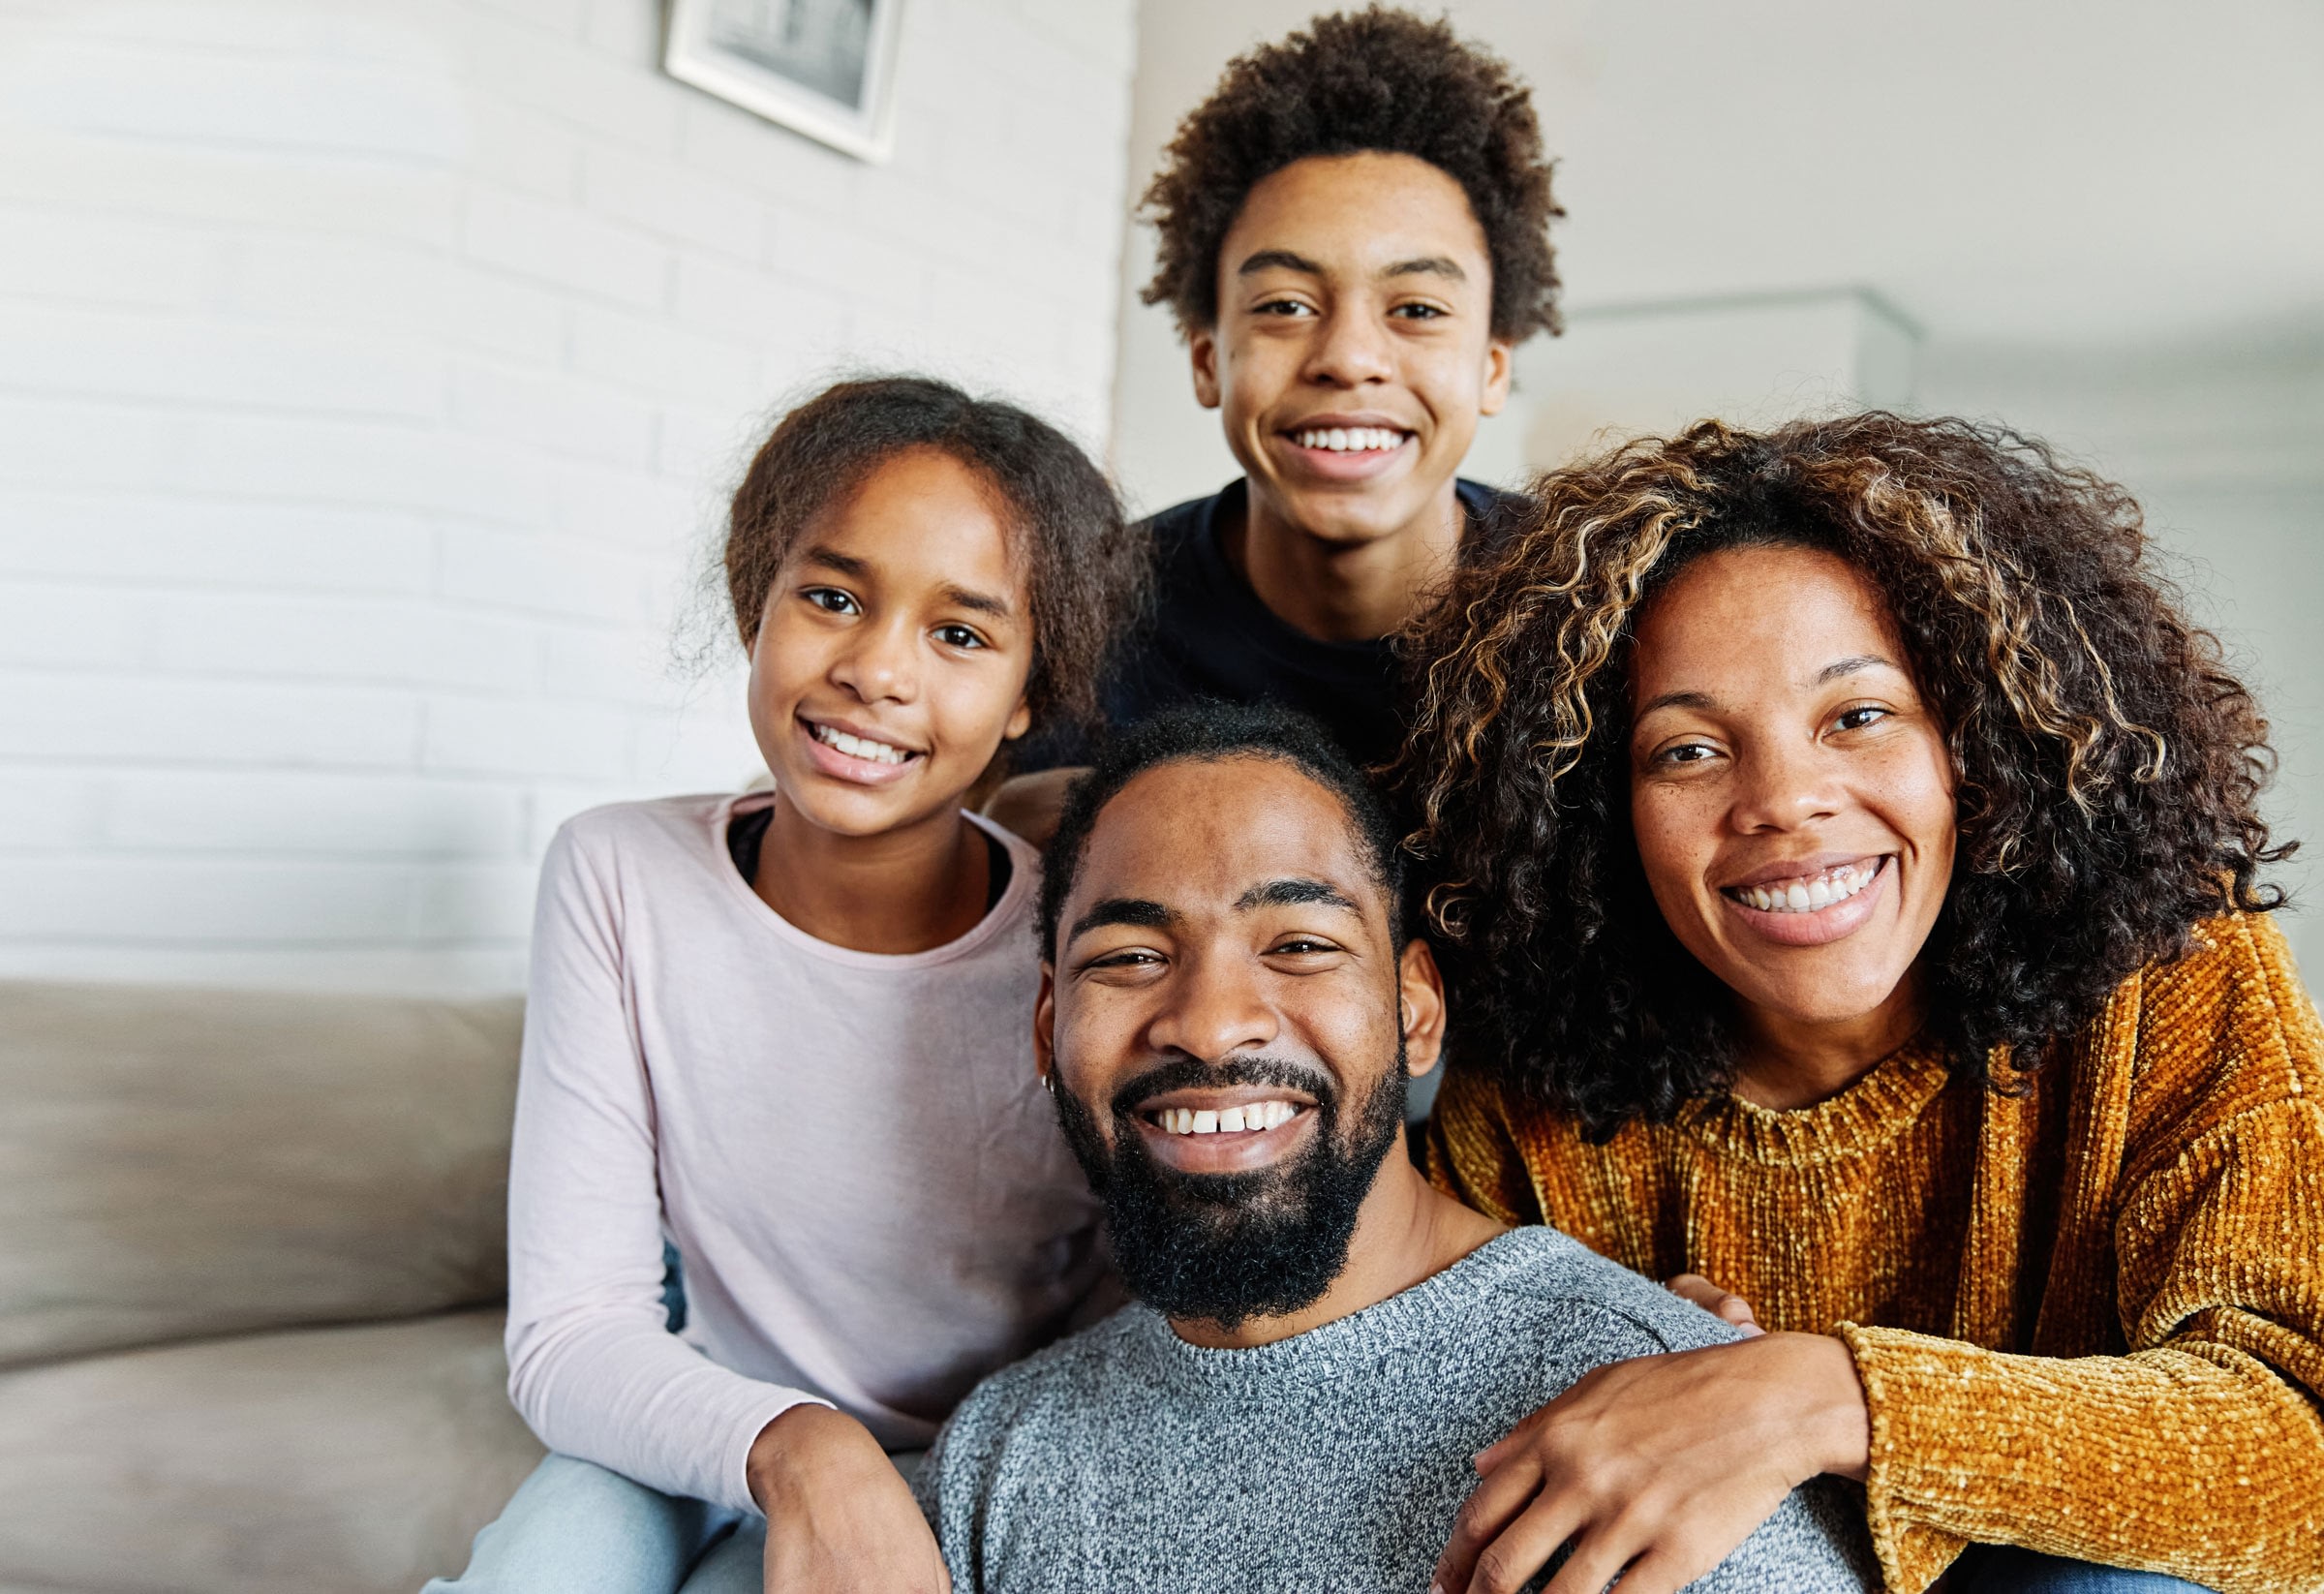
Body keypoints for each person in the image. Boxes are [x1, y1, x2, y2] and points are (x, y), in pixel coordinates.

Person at [1398, 414, 2324, 1594]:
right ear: (1595, 813)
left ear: (1976, 745)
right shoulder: (1522, 1073)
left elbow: (2303, 1443)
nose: (1783, 801)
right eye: (1686, 751)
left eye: (1858, 715)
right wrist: (1619, 1344)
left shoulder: (2170, 967)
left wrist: (1816, 1395)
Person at [425, 377, 1144, 1594]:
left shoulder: (1080, 942)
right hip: (686, 1433)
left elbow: (1135, 1309)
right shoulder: (617, 874)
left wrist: (900, 1482)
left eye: (959, 633)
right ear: (756, 603)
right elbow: (568, 1336)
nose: (874, 669)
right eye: (831, 597)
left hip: (973, 1464)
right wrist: (800, 1447)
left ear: (1030, 693)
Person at [917, 702, 1877, 1593]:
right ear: (1049, 1028)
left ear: (1415, 1011)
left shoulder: (1669, 1436)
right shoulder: (1000, 1457)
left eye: (1297, 943)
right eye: (1130, 957)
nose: (1211, 1025)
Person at [987, 7, 1562, 838]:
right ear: (1208, 358)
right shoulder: (1084, 621)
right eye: (1286, 305)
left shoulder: (1594, 614)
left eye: (1416, 308)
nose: (1349, 357)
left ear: (1492, 368)